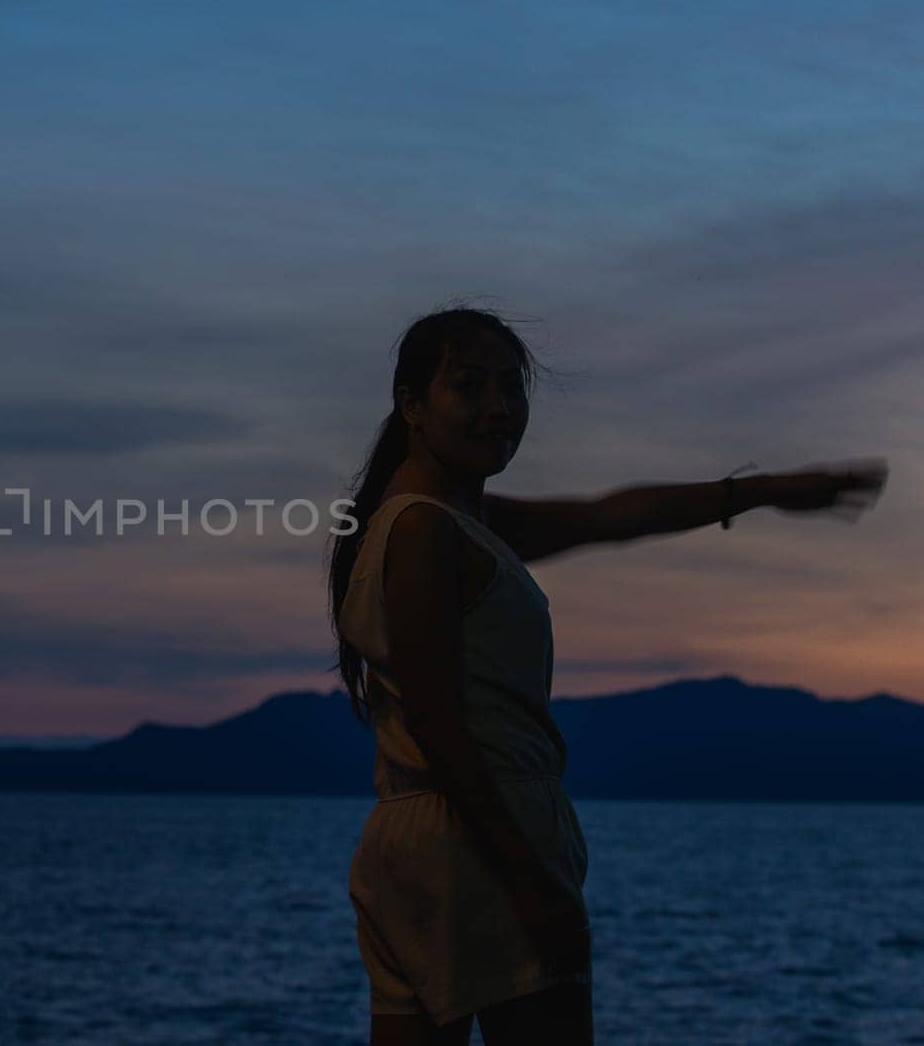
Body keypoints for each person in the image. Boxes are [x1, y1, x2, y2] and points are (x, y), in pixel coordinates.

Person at [324, 306, 888, 1045]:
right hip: (480, 838)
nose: (498, 407)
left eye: (510, 387)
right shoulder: (427, 528)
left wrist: (762, 490)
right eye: (469, 385)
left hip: (410, 846)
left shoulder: (454, 519)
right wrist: (529, 878)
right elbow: (438, 722)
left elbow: (609, 515)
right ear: (411, 403)